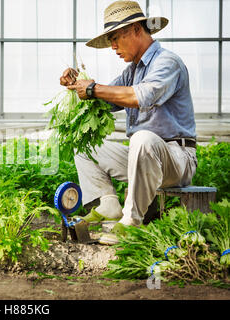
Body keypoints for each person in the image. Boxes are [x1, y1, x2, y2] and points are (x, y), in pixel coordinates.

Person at [59, 1, 197, 245]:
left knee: (142, 138)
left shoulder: (167, 62)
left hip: (176, 159)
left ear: (135, 29)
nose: (113, 46)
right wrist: (79, 84)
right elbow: (105, 101)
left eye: (115, 38)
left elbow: (140, 96)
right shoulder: (132, 71)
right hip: (142, 157)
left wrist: (93, 88)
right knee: (83, 146)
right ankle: (109, 203)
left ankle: (131, 221)